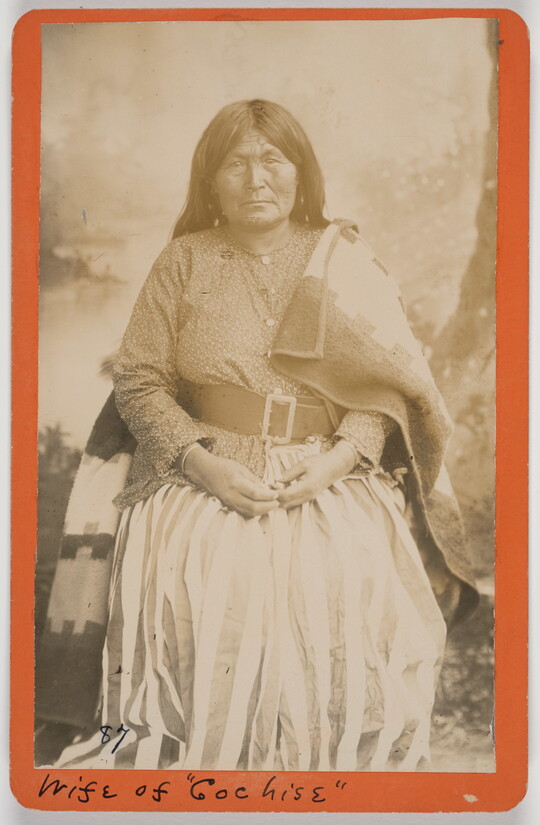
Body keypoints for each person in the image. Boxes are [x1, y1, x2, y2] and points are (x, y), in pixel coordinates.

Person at [38, 99, 478, 772]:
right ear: (210, 179)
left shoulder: (345, 259)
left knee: (344, 585)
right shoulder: (181, 262)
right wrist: (201, 462)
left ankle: (323, 771)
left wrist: (339, 458)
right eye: (235, 163)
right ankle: (220, 771)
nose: (256, 178)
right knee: (211, 586)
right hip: (203, 469)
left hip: (330, 473)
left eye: (272, 159)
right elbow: (139, 383)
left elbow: (392, 384)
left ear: (301, 173)